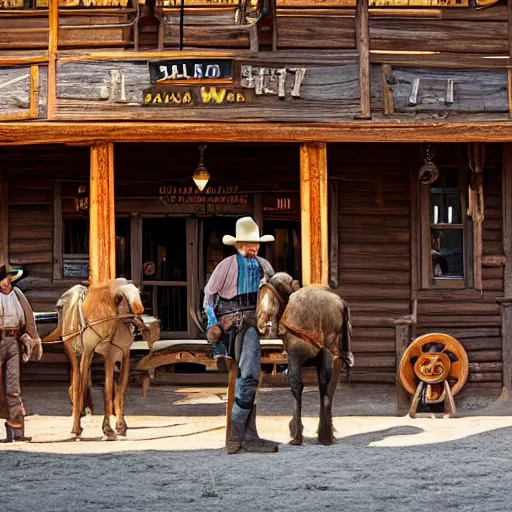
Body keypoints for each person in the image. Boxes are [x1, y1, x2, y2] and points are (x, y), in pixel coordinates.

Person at [203, 216, 279, 454]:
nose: (251, 247)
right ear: (237, 245)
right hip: (234, 326)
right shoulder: (226, 265)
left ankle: (248, 434)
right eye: (246, 243)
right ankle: (237, 438)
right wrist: (214, 324)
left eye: (254, 243)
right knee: (247, 376)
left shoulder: (265, 266)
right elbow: (208, 297)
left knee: (252, 377)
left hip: (257, 325)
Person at [0, 264, 42, 442]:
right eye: (4, 278)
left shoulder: (17, 294)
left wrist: (32, 339)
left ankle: (16, 429)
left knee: (13, 387)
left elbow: (28, 318)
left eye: (8, 278)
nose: (7, 281)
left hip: (13, 342)